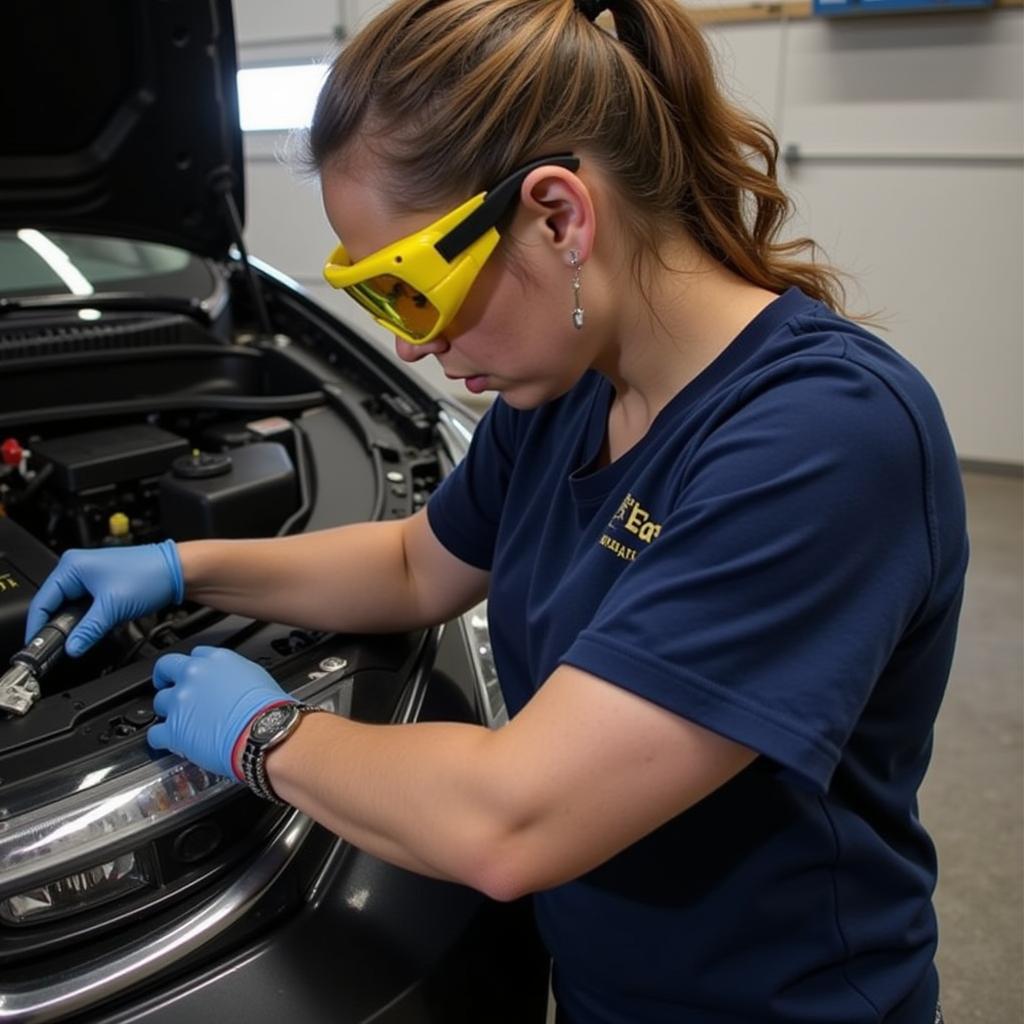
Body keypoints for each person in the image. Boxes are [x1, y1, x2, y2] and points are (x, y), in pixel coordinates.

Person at [27, 0, 968, 1020]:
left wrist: (262, 733)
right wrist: (183, 563)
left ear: (559, 214)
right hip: (604, 980)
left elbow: (512, 820)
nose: (408, 346)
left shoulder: (823, 437)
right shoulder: (566, 388)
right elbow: (412, 567)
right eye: (372, 298)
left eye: (408, 290)